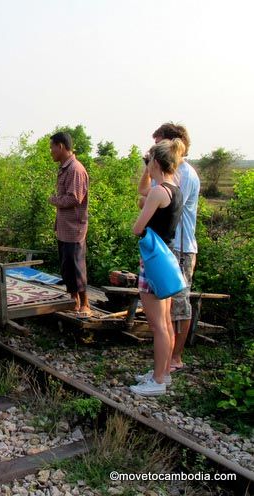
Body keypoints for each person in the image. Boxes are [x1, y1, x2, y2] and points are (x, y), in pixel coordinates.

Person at [139, 123, 199, 373]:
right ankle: (164, 365)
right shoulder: (172, 175)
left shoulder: (182, 175)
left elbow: (155, 202)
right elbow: (145, 194)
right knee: (166, 313)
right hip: (167, 246)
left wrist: (148, 202)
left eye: (158, 142)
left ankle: (175, 358)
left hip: (179, 248)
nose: (154, 146)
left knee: (178, 305)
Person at [130, 139, 185, 396]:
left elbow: (137, 228)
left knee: (158, 325)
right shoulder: (175, 188)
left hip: (153, 261)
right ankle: (160, 373)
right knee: (165, 321)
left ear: (157, 162)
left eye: (149, 160)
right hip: (167, 259)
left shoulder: (158, 192)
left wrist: (144, 208)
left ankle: (158, 380)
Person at [48, 132, 90, 317]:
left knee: (76, 265)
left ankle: (85, 303)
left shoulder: (75, 169)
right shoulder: (65, 168)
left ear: (61, 146)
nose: (51, 152)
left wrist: (55, 200)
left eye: (52, 147)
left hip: (74, 227)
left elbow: (75, 198)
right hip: (65, 227)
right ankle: (74, 300)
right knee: (66, 265)